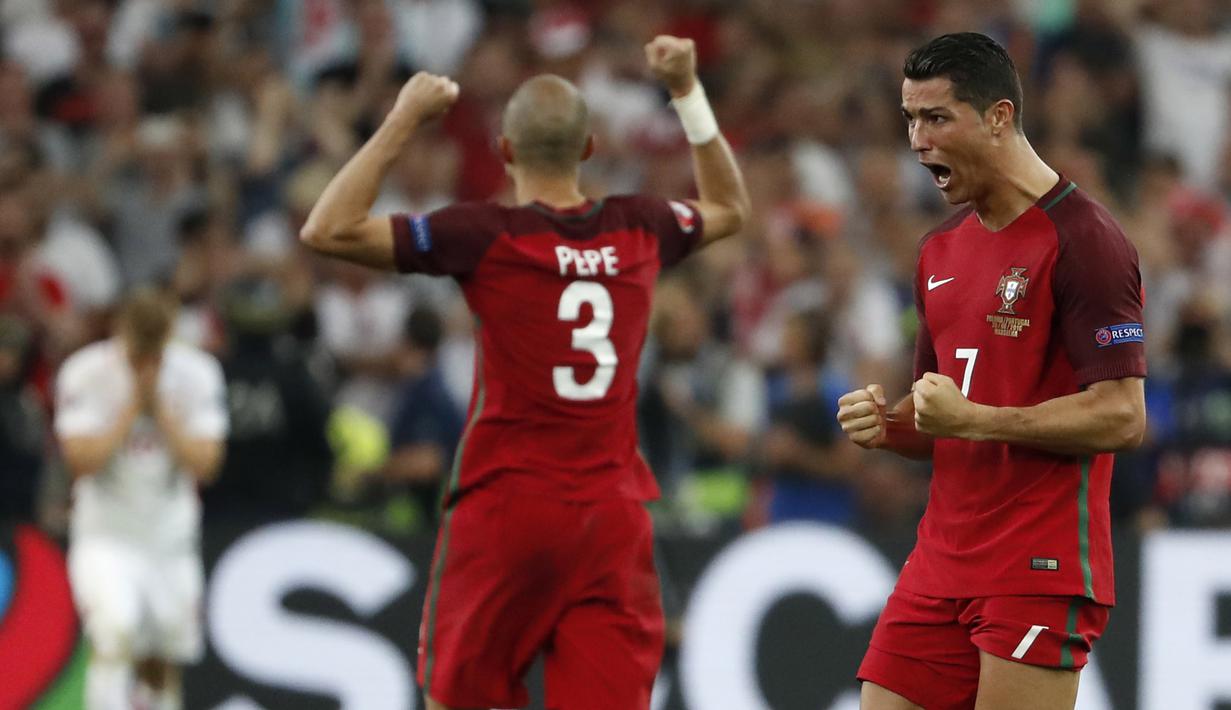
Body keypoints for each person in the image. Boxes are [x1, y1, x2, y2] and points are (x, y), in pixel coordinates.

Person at [300, 34, 748, 710]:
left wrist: (404, 117)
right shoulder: (640, 225)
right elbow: (730, 208)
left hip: (508, 505)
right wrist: (685, 89)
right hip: (610, 516)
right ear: (589, 149)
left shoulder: (486, 233)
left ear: (505, 151)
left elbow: (327, 229)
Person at [835, 33, 1147, 710]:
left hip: (1037, 563)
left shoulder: (1085, 240)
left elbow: (1122, 414)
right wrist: (885, 424)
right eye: (909, 120)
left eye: (937, 118)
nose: (918, 141)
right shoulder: (938, 249)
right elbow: (939, 413)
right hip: (939, 561)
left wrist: (973, 420)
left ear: (999, 117)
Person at [54, 288, 227, 710]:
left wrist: (162, 413)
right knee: (115, 629)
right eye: (138, 354)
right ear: (120, 333)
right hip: (106, 532)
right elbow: (79, 461)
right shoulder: (84, 372)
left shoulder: (198, 374)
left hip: (171, 537)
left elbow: (207, 465)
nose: (147, 364)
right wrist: (132, 408)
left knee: (165, 649)